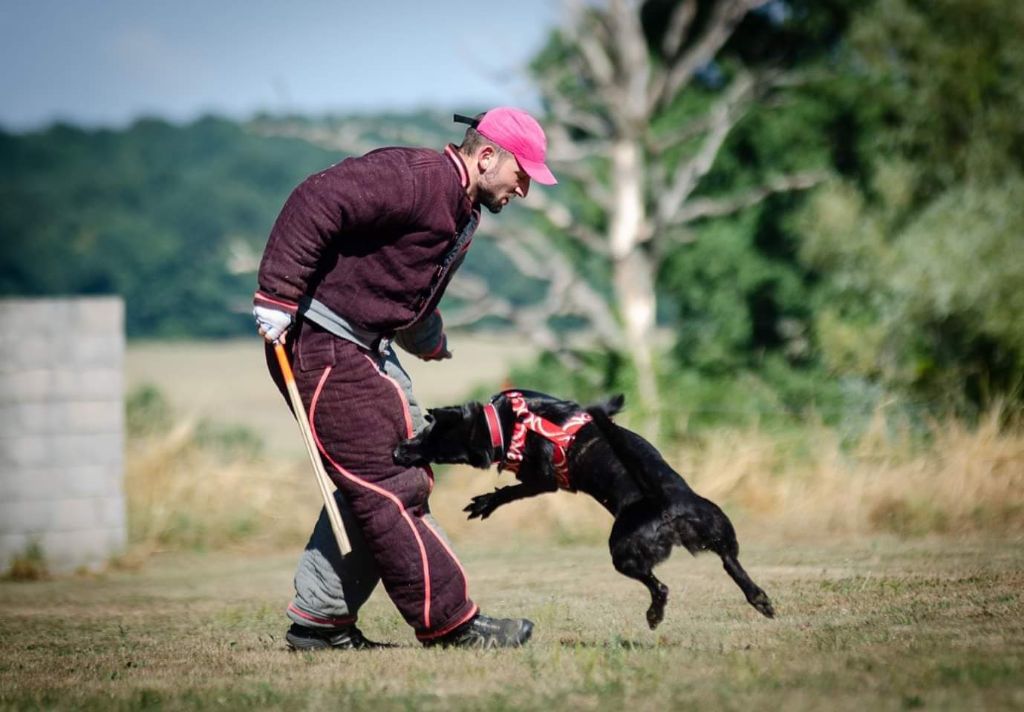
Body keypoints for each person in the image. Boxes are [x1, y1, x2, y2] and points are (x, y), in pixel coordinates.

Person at [252, 107, 557, 649]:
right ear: (487, 156)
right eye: (522, 175)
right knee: (393, 484)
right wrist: (277, 293)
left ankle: (319, 625)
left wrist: (428, 340)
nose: (524, 190)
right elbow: (316, 198)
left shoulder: (463, 209)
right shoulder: (416, 176)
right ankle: (453, 626)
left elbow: (403, 281)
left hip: (366, 347)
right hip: (326, 347)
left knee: (365, 487)